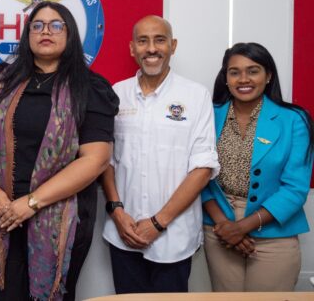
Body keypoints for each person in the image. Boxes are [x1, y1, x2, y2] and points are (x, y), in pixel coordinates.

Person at [0, 1, 119, 301]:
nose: (46, 32)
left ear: (70, 34)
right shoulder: (1, 81)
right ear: (27, 34)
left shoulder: (89, 88)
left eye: (56, 25)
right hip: (3, 214)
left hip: (61, 218)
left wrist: (32, 202)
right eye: (38, 25)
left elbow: (95, 160)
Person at [101, 15, 220, 294]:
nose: (151, 48)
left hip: (173, 237)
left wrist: (158, 222)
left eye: (160, 40)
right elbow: (106, 160)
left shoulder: (196, 95)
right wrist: (117, 212)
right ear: (132, 48)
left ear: (173, 45)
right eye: (143, 41)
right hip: (123, 232)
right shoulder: (116, 93)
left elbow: (203, 168)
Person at [202, 42, 313, 292]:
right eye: (235, 72)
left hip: (274, 231)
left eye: (253, 71)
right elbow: (198, 175)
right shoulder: (208, 114)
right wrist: (225, 226)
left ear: (268, 75)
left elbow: (295, 188)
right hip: (219, 227)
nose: (244, 79)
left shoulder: (294, 120)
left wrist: (241, 228)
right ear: (226, 77)